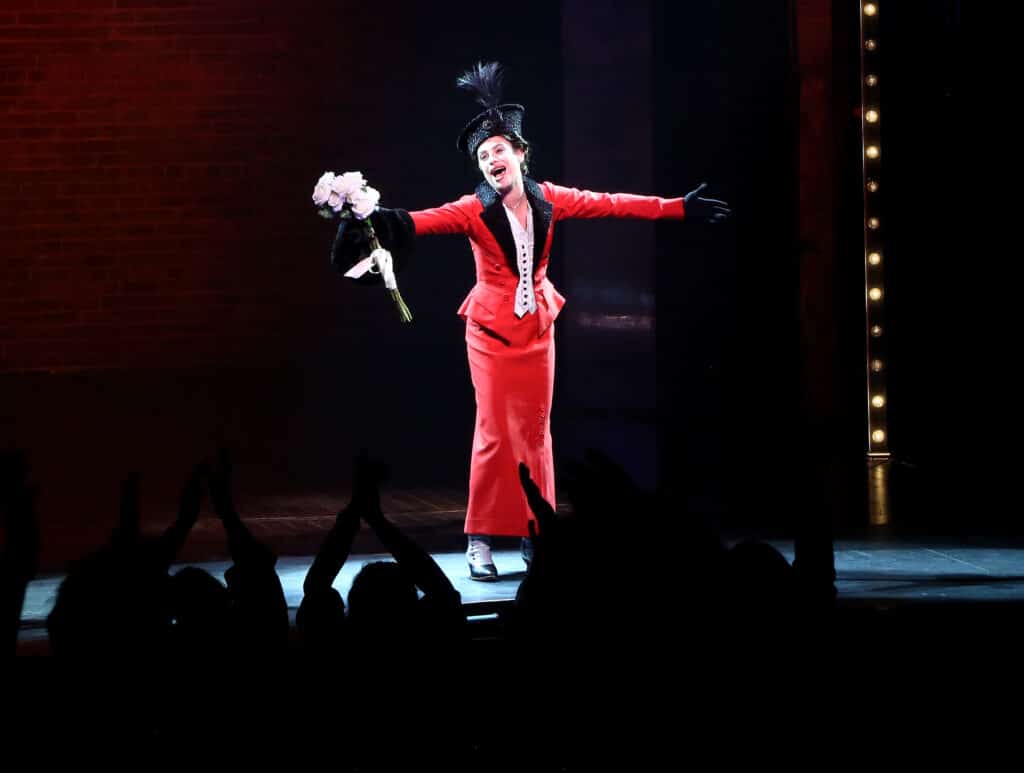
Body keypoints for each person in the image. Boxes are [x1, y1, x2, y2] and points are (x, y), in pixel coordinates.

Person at [332, 62, 730, 581]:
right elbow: (418, 221)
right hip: (491, 333)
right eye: (482, 155)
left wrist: (677, 208)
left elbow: (611, 204)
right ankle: (479, 540)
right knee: (495, 433)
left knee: (537, 435)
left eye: (499, 149)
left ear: (520, 154)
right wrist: (373, 219)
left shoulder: (550, 199)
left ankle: (536, 533)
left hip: (539, 328)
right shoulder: (473, 209)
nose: (491, 158)